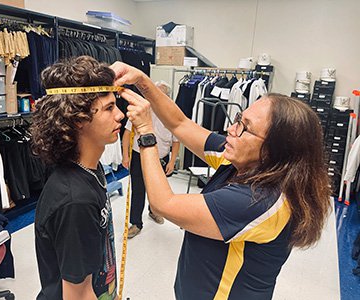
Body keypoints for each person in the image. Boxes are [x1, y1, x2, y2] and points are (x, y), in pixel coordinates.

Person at [110, 61, 332, 300]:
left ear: (274, 150)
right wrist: (143, 81)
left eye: (244, 127)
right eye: (238, 118)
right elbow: (180, 123)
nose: (230, 129)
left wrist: (145, 132)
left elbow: (164, 204)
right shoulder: (240, 160)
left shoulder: (261, 201)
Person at [31, 56, 123, 300]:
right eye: (109, 108)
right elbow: (78, 294)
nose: (120, 115)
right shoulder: (75, 201)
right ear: (79, 120)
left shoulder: (90, 168)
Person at [122, 81, 180, 238]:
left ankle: (154, 212)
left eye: (161, 95)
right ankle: (136, 223)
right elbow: (127, 133)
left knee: (158, 191)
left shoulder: (172, 113)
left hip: (161, 158)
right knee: (138, 189)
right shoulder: (141, 110)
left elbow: (176, 141)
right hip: (138, 155)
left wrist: (172, 161)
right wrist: (125, 156)